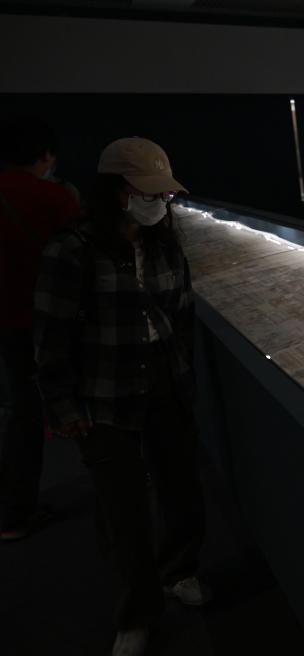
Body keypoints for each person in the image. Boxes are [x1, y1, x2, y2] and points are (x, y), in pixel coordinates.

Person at [34, 137, 208, 656]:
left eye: (164, 195)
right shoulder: (71, 249)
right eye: (148, 193)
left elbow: (180, 314)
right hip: (106, 395)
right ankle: (137, 613)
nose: (159, 203)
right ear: (116, 191)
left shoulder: (164, 242)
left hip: (165, 385)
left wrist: (183, 376)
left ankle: (180, 570)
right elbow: (51, 337)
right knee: (123, 510)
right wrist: (63, 406)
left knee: (181, 489)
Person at [0, 116, 80, 542]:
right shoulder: (56, 198)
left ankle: (15, 511)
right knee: (63, 402)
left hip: (5, 323)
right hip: (47, 319)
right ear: (46, 155)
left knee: (17, 411)